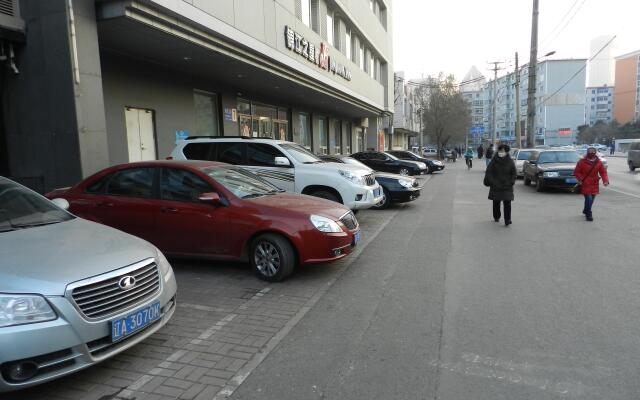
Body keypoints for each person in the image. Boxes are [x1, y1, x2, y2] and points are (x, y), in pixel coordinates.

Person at [574, 146, 609, 221]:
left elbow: (603, 172)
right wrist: (580, 179)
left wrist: (605, 181)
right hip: (585, 182)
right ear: (587, 152)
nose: (591, 153)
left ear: (595, 152)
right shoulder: (581, 161)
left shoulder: (598, 162)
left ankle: (586, 210)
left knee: (592, 199)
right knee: (588, 198)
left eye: (593, 151)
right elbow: (576, 172)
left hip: (594, 183)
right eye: (590, 151)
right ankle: (589, 214)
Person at [484, 144, 516, 226]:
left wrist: (512, 181)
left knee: (507, 203)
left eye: (503, 151)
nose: (501, 152)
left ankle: (507, 220)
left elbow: (514, 173)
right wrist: (492, 181)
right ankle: (496, 216)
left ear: (506, 152)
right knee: (496, 202)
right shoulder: (494, 161)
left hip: (507, 185)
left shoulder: (510, 161)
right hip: (496, 185)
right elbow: (489, 172)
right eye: (500, 151)